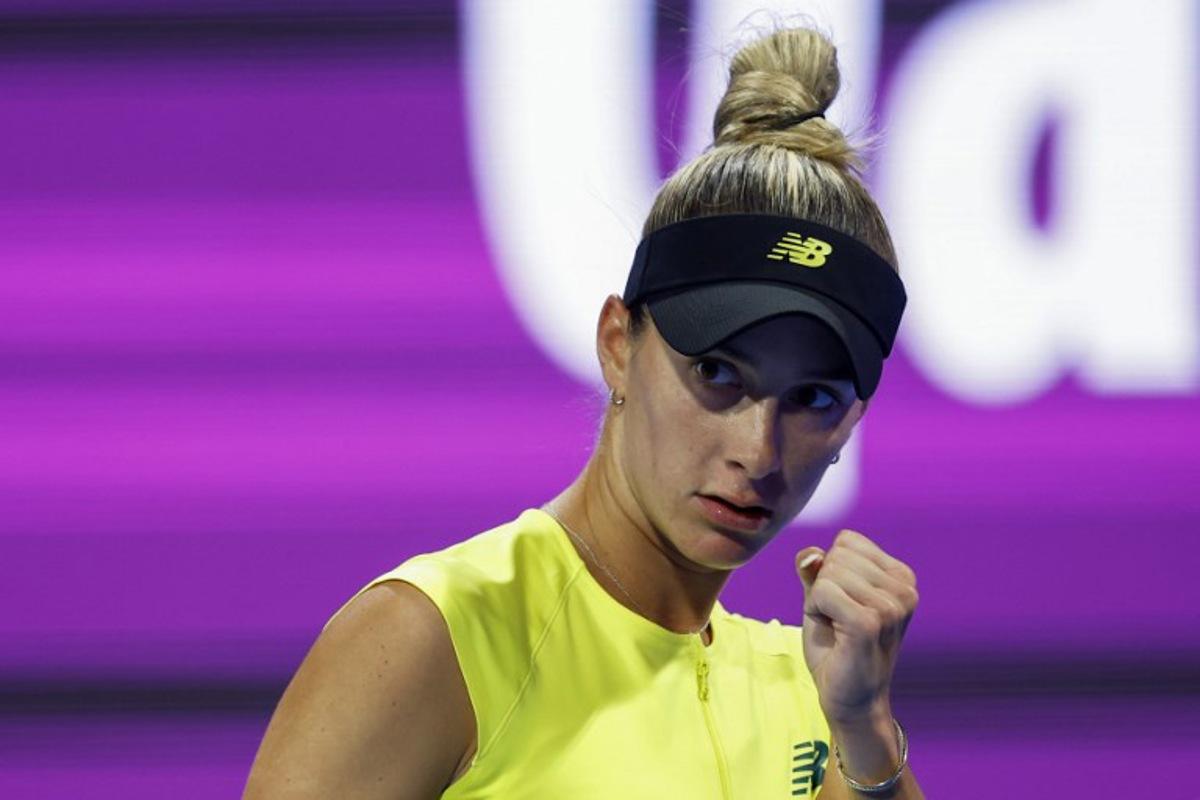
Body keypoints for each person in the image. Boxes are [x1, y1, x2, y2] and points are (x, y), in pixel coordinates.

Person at [244, 24, 924, 799]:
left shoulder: (811, 692)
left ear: (852, 424)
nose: (758, 450)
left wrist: (865, 731)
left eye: (811, 399)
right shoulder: (436, 635)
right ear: (617, 346)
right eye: (718, 372)